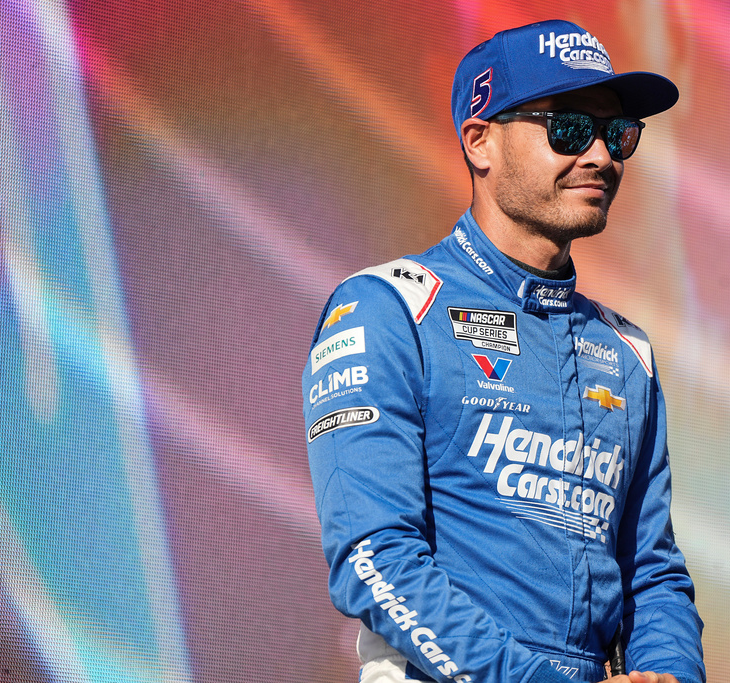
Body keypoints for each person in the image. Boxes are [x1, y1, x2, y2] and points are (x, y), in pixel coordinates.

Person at [302, 19, 705, 683]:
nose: (602, 155)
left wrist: (670, 675)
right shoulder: (386, 308)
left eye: (618, 133)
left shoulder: (628, 351)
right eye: (570, 128)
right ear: (479, 140)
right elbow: (374, 555)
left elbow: (653, 574)